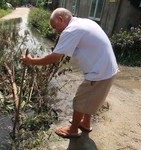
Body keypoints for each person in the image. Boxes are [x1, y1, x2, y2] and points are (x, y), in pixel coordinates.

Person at [20, 8, 118, 138]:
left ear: (61, 19)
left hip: (100, 72)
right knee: (90, 97)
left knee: (80, 100)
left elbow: (54, 58)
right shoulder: (83, 22)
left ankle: (72, 130)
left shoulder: (71, 30)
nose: (56, 31)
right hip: (107, 69)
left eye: (55, 27)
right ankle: (85, 123)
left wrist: (31, 61)